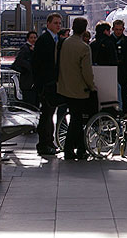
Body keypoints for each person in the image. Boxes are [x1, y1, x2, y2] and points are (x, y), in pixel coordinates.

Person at [57, 17, 96, 160]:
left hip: (64, 86)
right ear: (85, 29)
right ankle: (69, 149)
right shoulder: (84, 47)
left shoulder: (64, 43)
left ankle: (80, 149)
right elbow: (86, 71)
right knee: (76, 120)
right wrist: (92, 86)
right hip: (79, 89)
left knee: (76, 118)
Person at [31, 13, 63, 155]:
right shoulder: (44, 40)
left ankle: (49, 142)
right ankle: (44, 144)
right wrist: (41, 84)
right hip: (46, 84)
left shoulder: (56, 39)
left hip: (52, 83)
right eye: (55, 23)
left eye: (59, 23)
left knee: (50, 114)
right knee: (46, 115)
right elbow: (37, 64)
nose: (58, 25)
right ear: (48, 24)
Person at [112, 19, 127, 114]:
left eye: (120, 30)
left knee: (125, 100)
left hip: (124, 76)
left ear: (123, 29)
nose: (118, 32)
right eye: (116, 29)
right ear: (113, 29)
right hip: (112, 75)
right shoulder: (108, 42)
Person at [11, 30, 38, 107]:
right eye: (31, 38)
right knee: (30, 104)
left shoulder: (33, 48)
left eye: (35, 38)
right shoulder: (25, 48)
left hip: (30, 82)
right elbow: (19, 61)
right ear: (28, 39)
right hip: (27, 82)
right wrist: (29, 68)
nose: (33, 39)